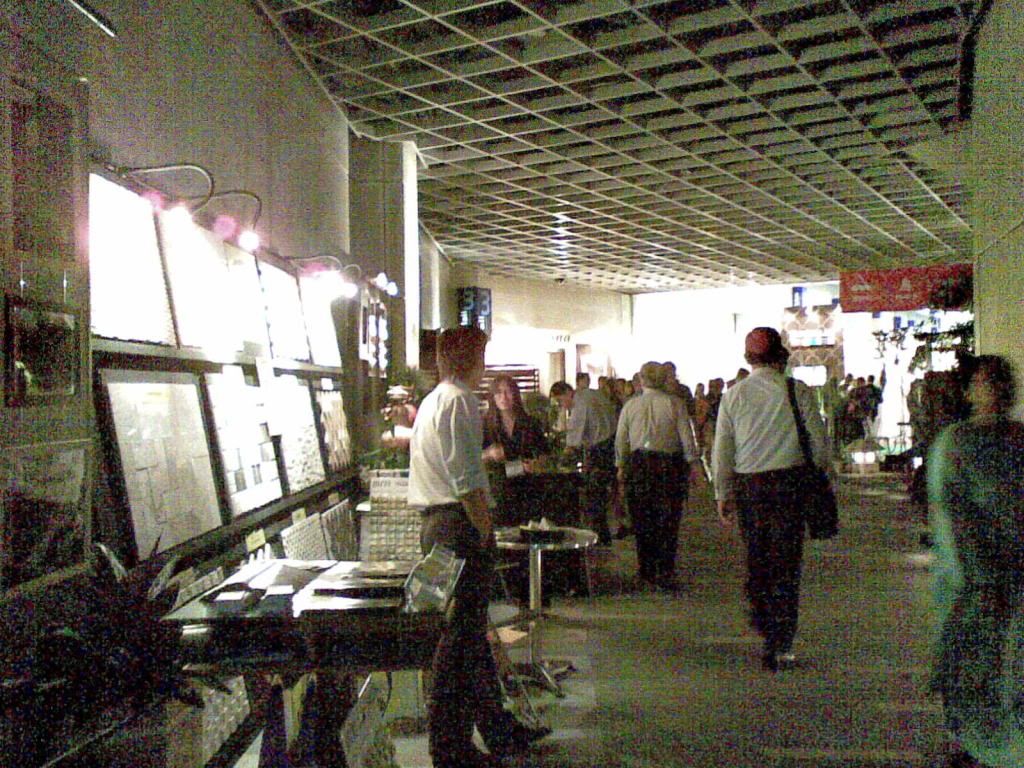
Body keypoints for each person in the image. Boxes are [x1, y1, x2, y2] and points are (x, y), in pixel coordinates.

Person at [408, 326, 547, 768]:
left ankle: (498, 729)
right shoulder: (461, 401)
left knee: (470, 639)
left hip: (440, 525)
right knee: (459, 645)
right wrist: (485, 530)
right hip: (457, 526)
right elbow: (466, 478)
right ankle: (450, 748)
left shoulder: (434, 400)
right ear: (475, 361)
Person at [712, 327, 829, 672]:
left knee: (758, 557)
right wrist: (821, 476)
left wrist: (723, 493)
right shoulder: (797, 391)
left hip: (751, 489)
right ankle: (782, 638)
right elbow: (819, 444)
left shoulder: (734, 396)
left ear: (748, 359)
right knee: (787, 563)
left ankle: (763, 621)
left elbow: (723, 451)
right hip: (790, 486)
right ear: (781, 355)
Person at [928, 355, 1024, 768]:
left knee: (1010, 662)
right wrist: (968, 572)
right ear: (969, 391)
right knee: (970, 659)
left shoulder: (1019, 439)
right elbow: (947, 509)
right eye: (987, 382)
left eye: (1003, 381)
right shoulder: (956, 442)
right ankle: (970, 743)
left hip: (1014, 571)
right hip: (971, 575)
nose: (997, 390)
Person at [615, 361, 699, 591]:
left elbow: (621, 439)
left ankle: (646, 569)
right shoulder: (675, 403)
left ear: (642, 380)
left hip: (638, 465)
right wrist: (693, 464)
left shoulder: (630, 406)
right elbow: (686, 438)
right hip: (668, 465)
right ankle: (665, 570)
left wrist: (621, 466)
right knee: (668, 519)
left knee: (642, 518)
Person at [550, 379, 617, 545]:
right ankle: (603, 534)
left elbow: (573, 440)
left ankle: (600, 536)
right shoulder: (592, 394)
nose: (562, 406)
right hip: (611, 443)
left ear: (567, 393)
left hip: (600, 450)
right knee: (601, 494)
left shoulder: (580, 404)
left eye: (560, 401)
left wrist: (559, 459)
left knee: (595, 495)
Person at [482, 375, 549, 525]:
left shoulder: (530, 422)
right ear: (493, 397)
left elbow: (544, 452)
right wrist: (489, 453)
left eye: (508, 392)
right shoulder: (486, 424)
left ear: (515, 395)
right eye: (499, 393)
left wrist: (538, 464)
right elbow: (473, 457)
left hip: (528, 489)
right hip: (499, 489)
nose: (504, 397)